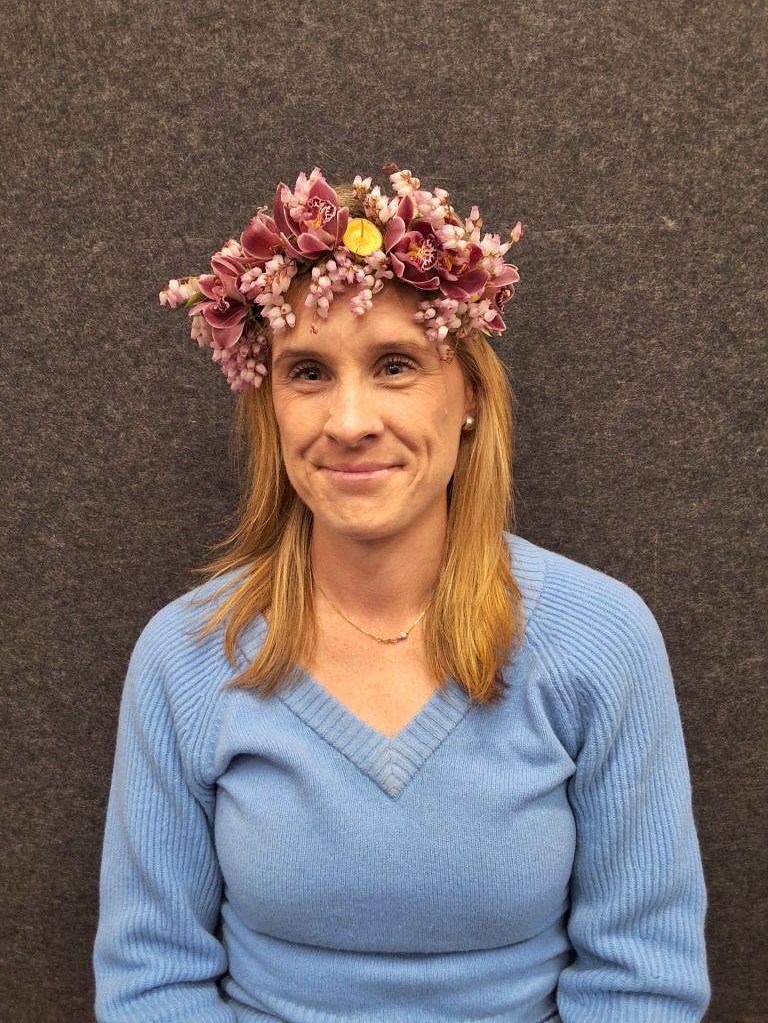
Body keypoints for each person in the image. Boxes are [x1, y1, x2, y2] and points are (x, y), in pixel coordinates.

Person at [93, 166, 711, 1022]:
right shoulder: (188, 656)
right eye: (308, 372)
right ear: (270, 404)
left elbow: (643, 980)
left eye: (395, 365)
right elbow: (151, 978)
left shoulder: (601, 640)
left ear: (469, 396)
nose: (350, 423)